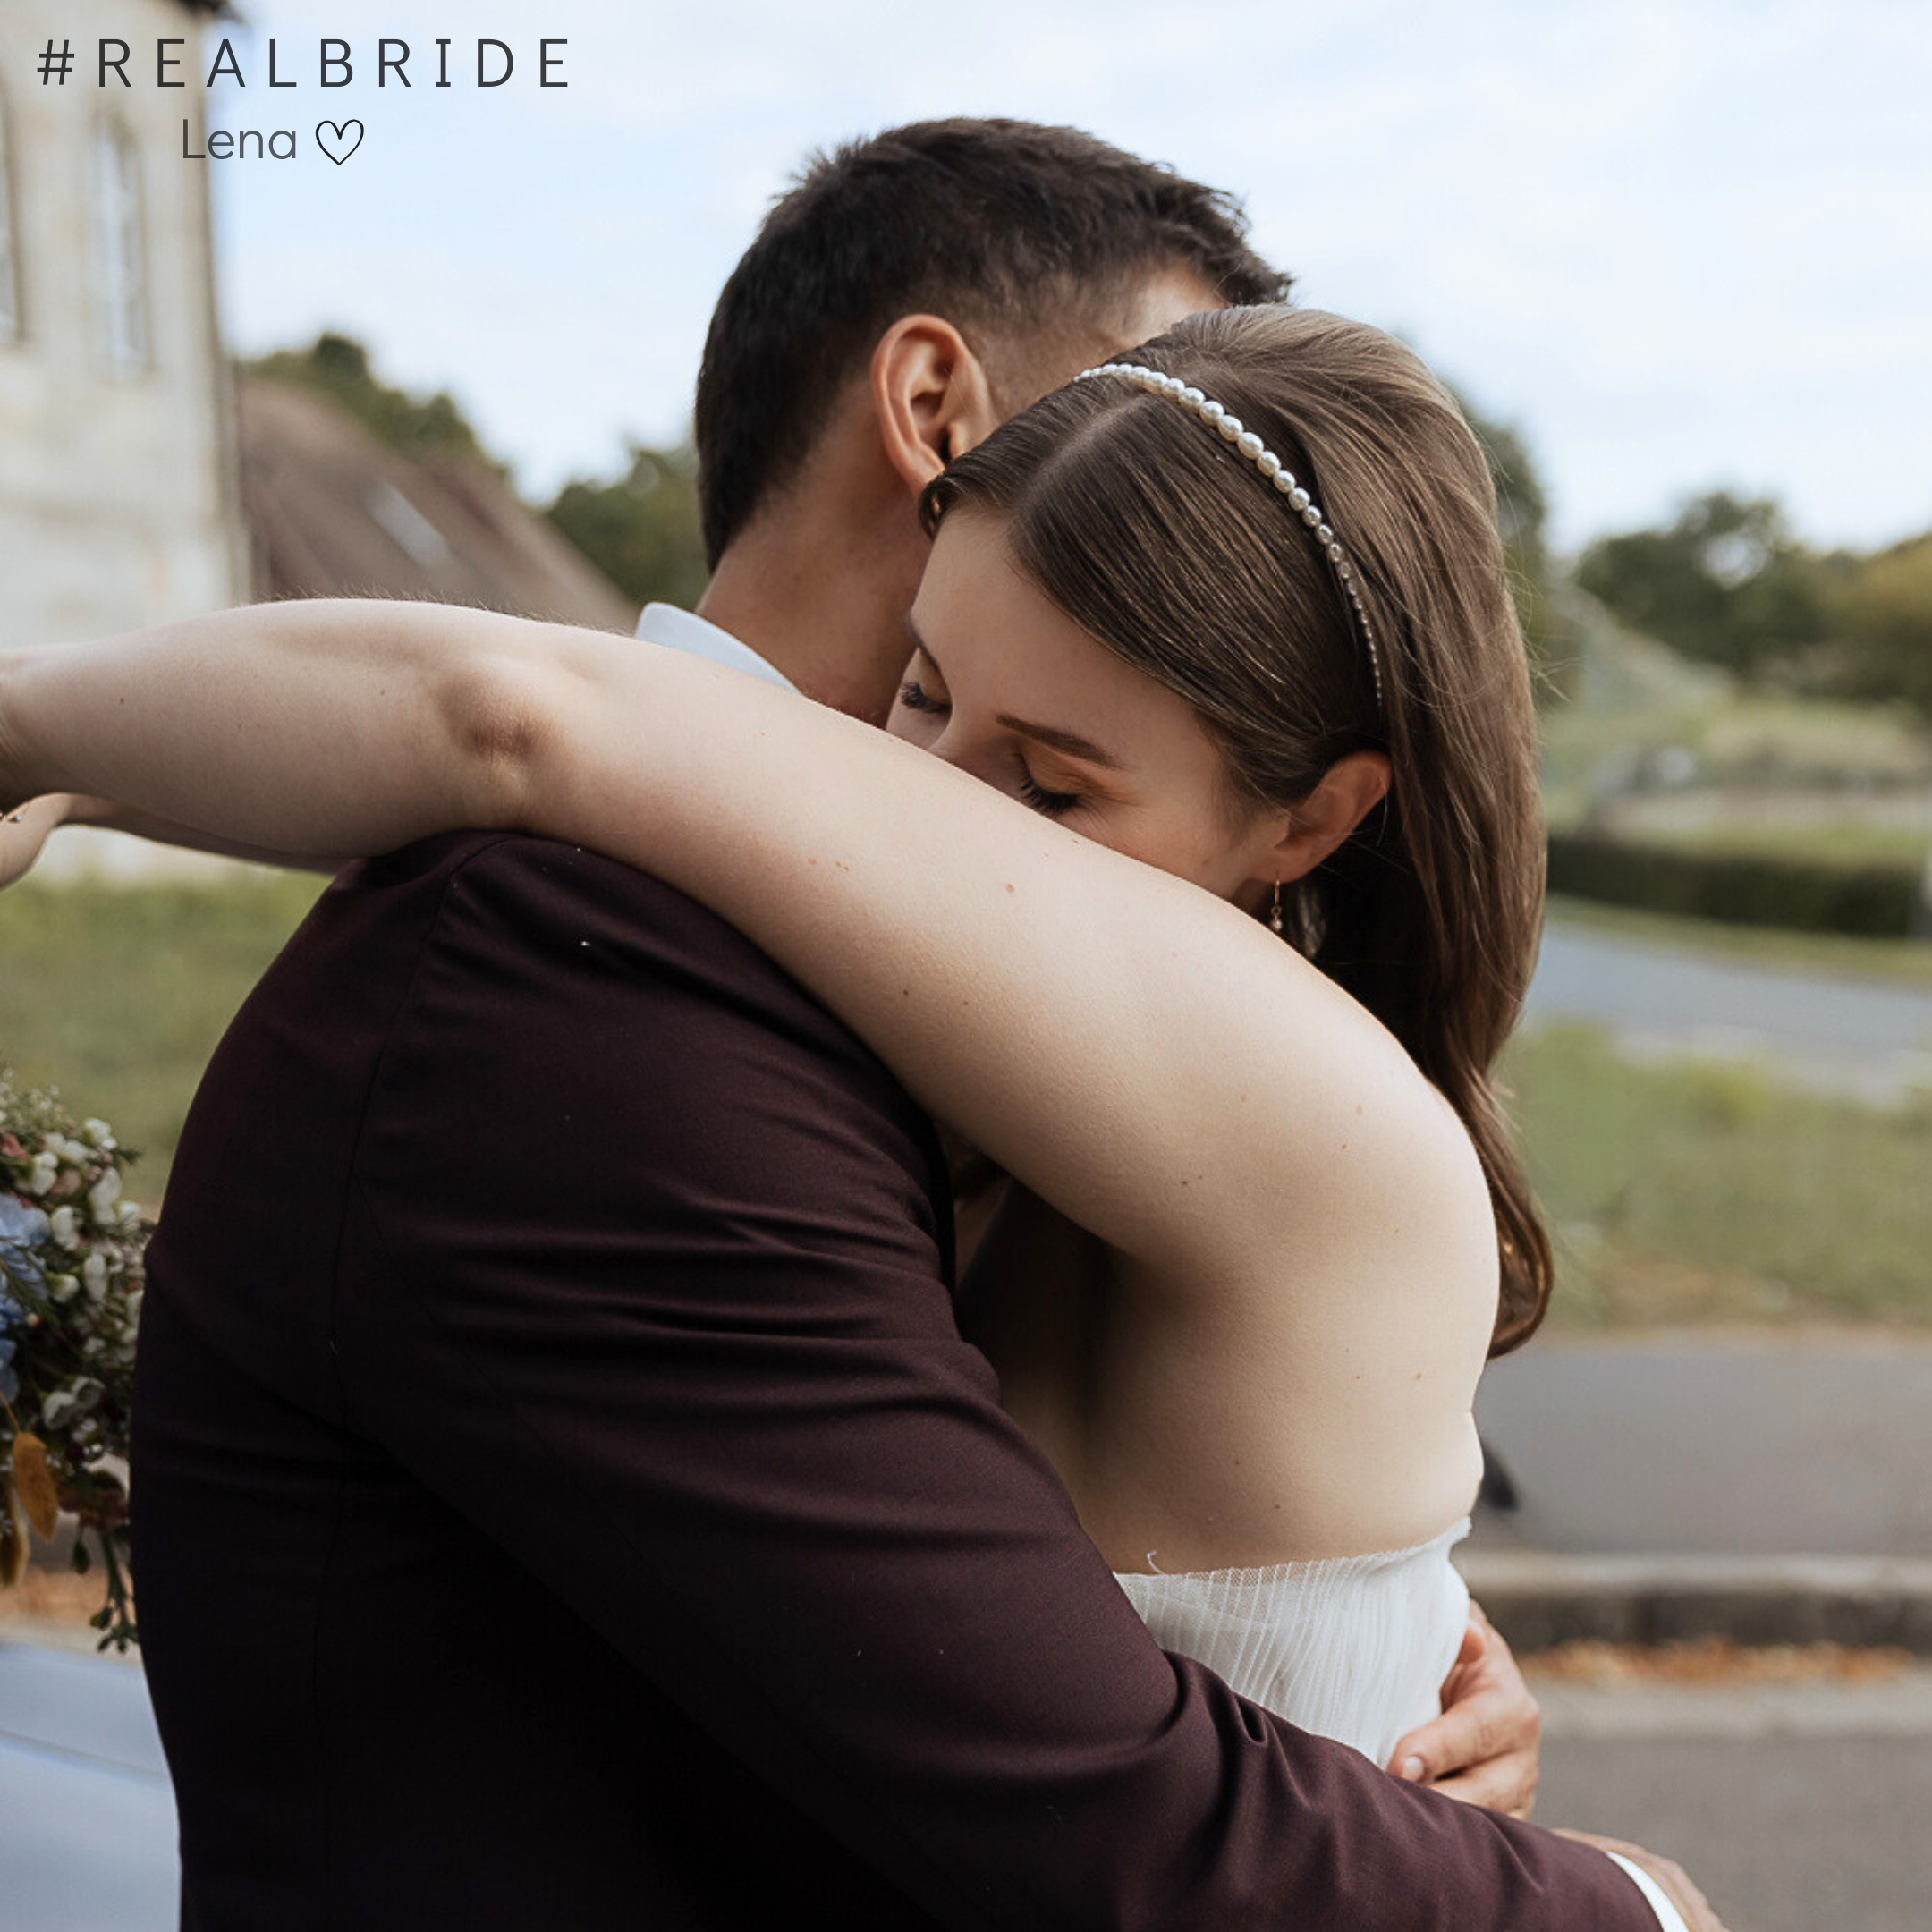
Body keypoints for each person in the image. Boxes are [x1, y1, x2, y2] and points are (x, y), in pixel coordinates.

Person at [0, 125, 1717, 1931]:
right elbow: (510, 721)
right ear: (939, 420)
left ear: (1309, 813)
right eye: (1150, 386)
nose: (1164, 466)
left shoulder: (1127, 1070)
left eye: (1052, 780)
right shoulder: (583, 971)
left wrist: (1381, 1640)